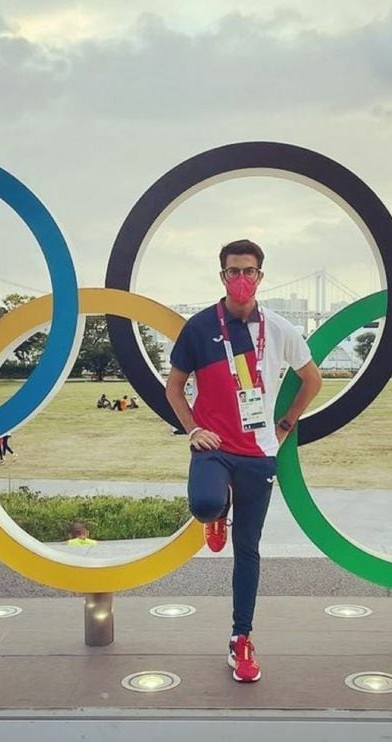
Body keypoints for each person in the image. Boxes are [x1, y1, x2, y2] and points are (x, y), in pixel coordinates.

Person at [165, 239, 322, 683]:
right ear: (222, 276)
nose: (241, 279)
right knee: (204, 504)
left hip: (259, 454)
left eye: (249, 271)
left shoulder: (279, 329)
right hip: (213, 448)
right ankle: (217, 513)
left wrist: (286, 424)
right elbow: (174, 388)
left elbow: (312, 380)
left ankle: (241, 638)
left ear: (260, 277)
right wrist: (193, 428)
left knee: (247, 549)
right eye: (233, 271)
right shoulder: (198, 328)